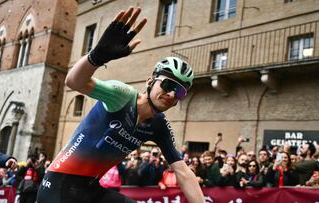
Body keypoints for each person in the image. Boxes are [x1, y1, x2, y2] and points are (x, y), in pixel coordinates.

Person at [36, 7, 205, 203]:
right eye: (168, 84)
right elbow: (74, 82)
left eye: (181, 92)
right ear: (150, 81)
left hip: (91, 190)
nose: (172, 93)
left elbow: (183, 173)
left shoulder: (158, 125)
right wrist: (96, 57)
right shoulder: (122, 96)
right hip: (58, 188)